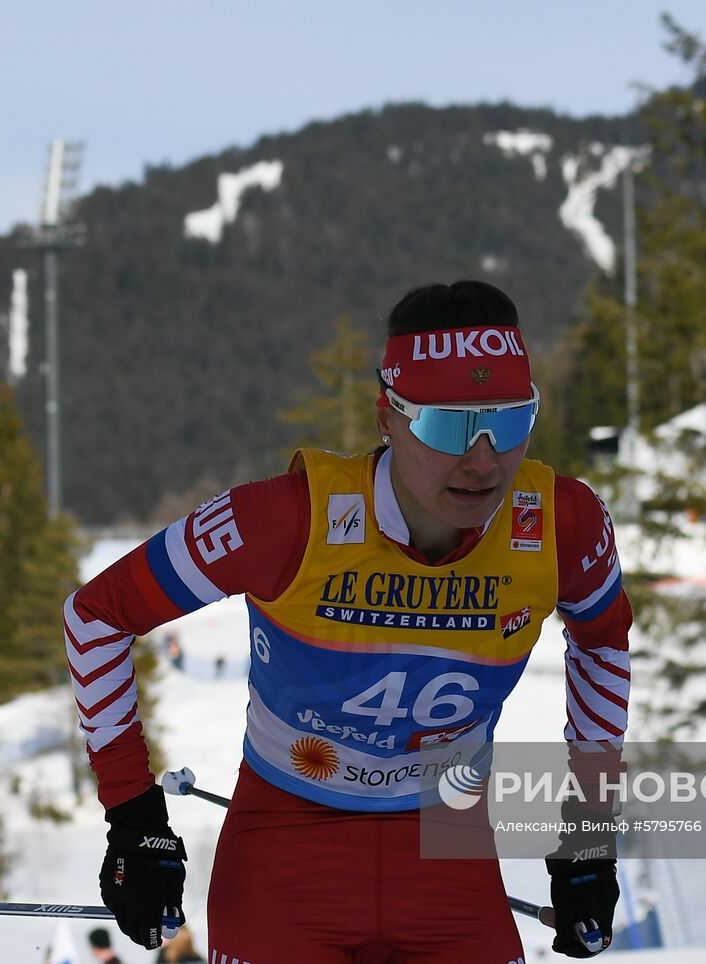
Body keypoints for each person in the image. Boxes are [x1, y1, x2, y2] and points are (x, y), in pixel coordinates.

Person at [67, 281, 632, 962]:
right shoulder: (284, 519)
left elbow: (602, 642)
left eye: (510, 420)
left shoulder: (561, 522)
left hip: (446, 849)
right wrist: (133, 814)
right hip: (285, 843)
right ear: (387, 418)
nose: (484, 461)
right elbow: (97, 615)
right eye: (448, 425)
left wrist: (588, 834)